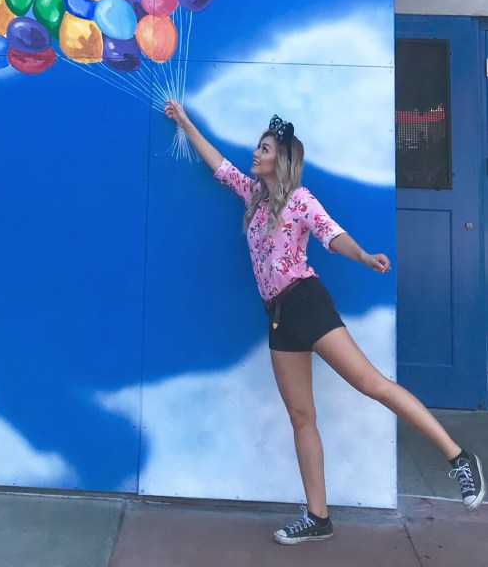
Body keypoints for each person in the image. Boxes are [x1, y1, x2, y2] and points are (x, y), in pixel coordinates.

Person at [164, 100, 485, 545]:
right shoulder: (253, 196)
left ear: (282, 159)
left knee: (372, 384)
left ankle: (459, 457)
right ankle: (318, 517)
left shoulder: (300, 200)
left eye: (264, 149)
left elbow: (332, 235)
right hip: (278, 317)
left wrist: (364, 256)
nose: (255, 153)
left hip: (307, 304)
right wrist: (185, 122)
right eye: (258, 147)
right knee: (301, 415)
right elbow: (218, 164)